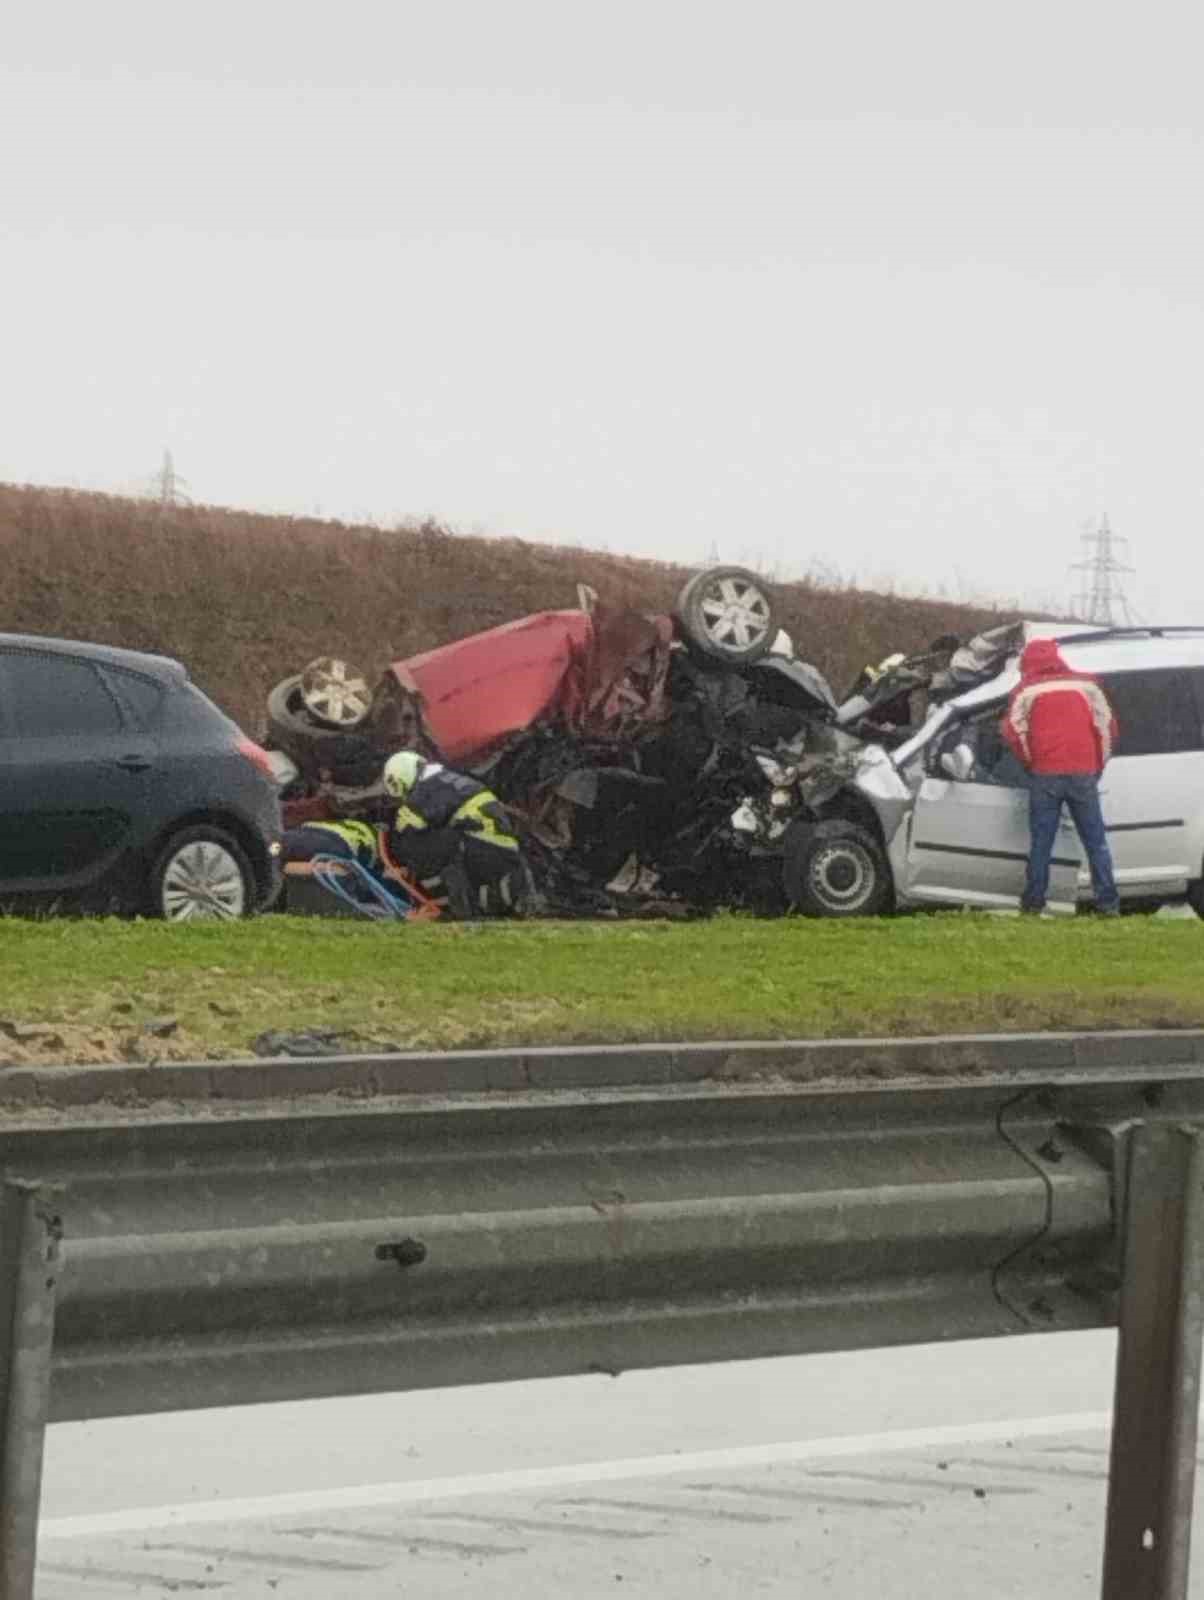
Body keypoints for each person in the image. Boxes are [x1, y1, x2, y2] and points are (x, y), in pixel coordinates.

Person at [1001, 639, 1120, 916]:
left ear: (1028, 662)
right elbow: (1108, 728)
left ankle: (1033, 903)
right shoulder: (1088, 685)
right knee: (1096, 842)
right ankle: (1108, 904)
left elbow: (1013, 732)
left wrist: (1031, 762)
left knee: (1042, 842)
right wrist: (1096, 765)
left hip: (1045, 775)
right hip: (1083, 773)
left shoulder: (1025, 690)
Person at [381, 750, 529, 919]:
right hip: (503, 859)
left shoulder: (425, 790)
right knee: (440, 841)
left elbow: (405, 835)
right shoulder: (449, 780)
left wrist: (400, 866)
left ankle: (448, 909)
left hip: (481, 853)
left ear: (400, 781)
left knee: (416, 848)